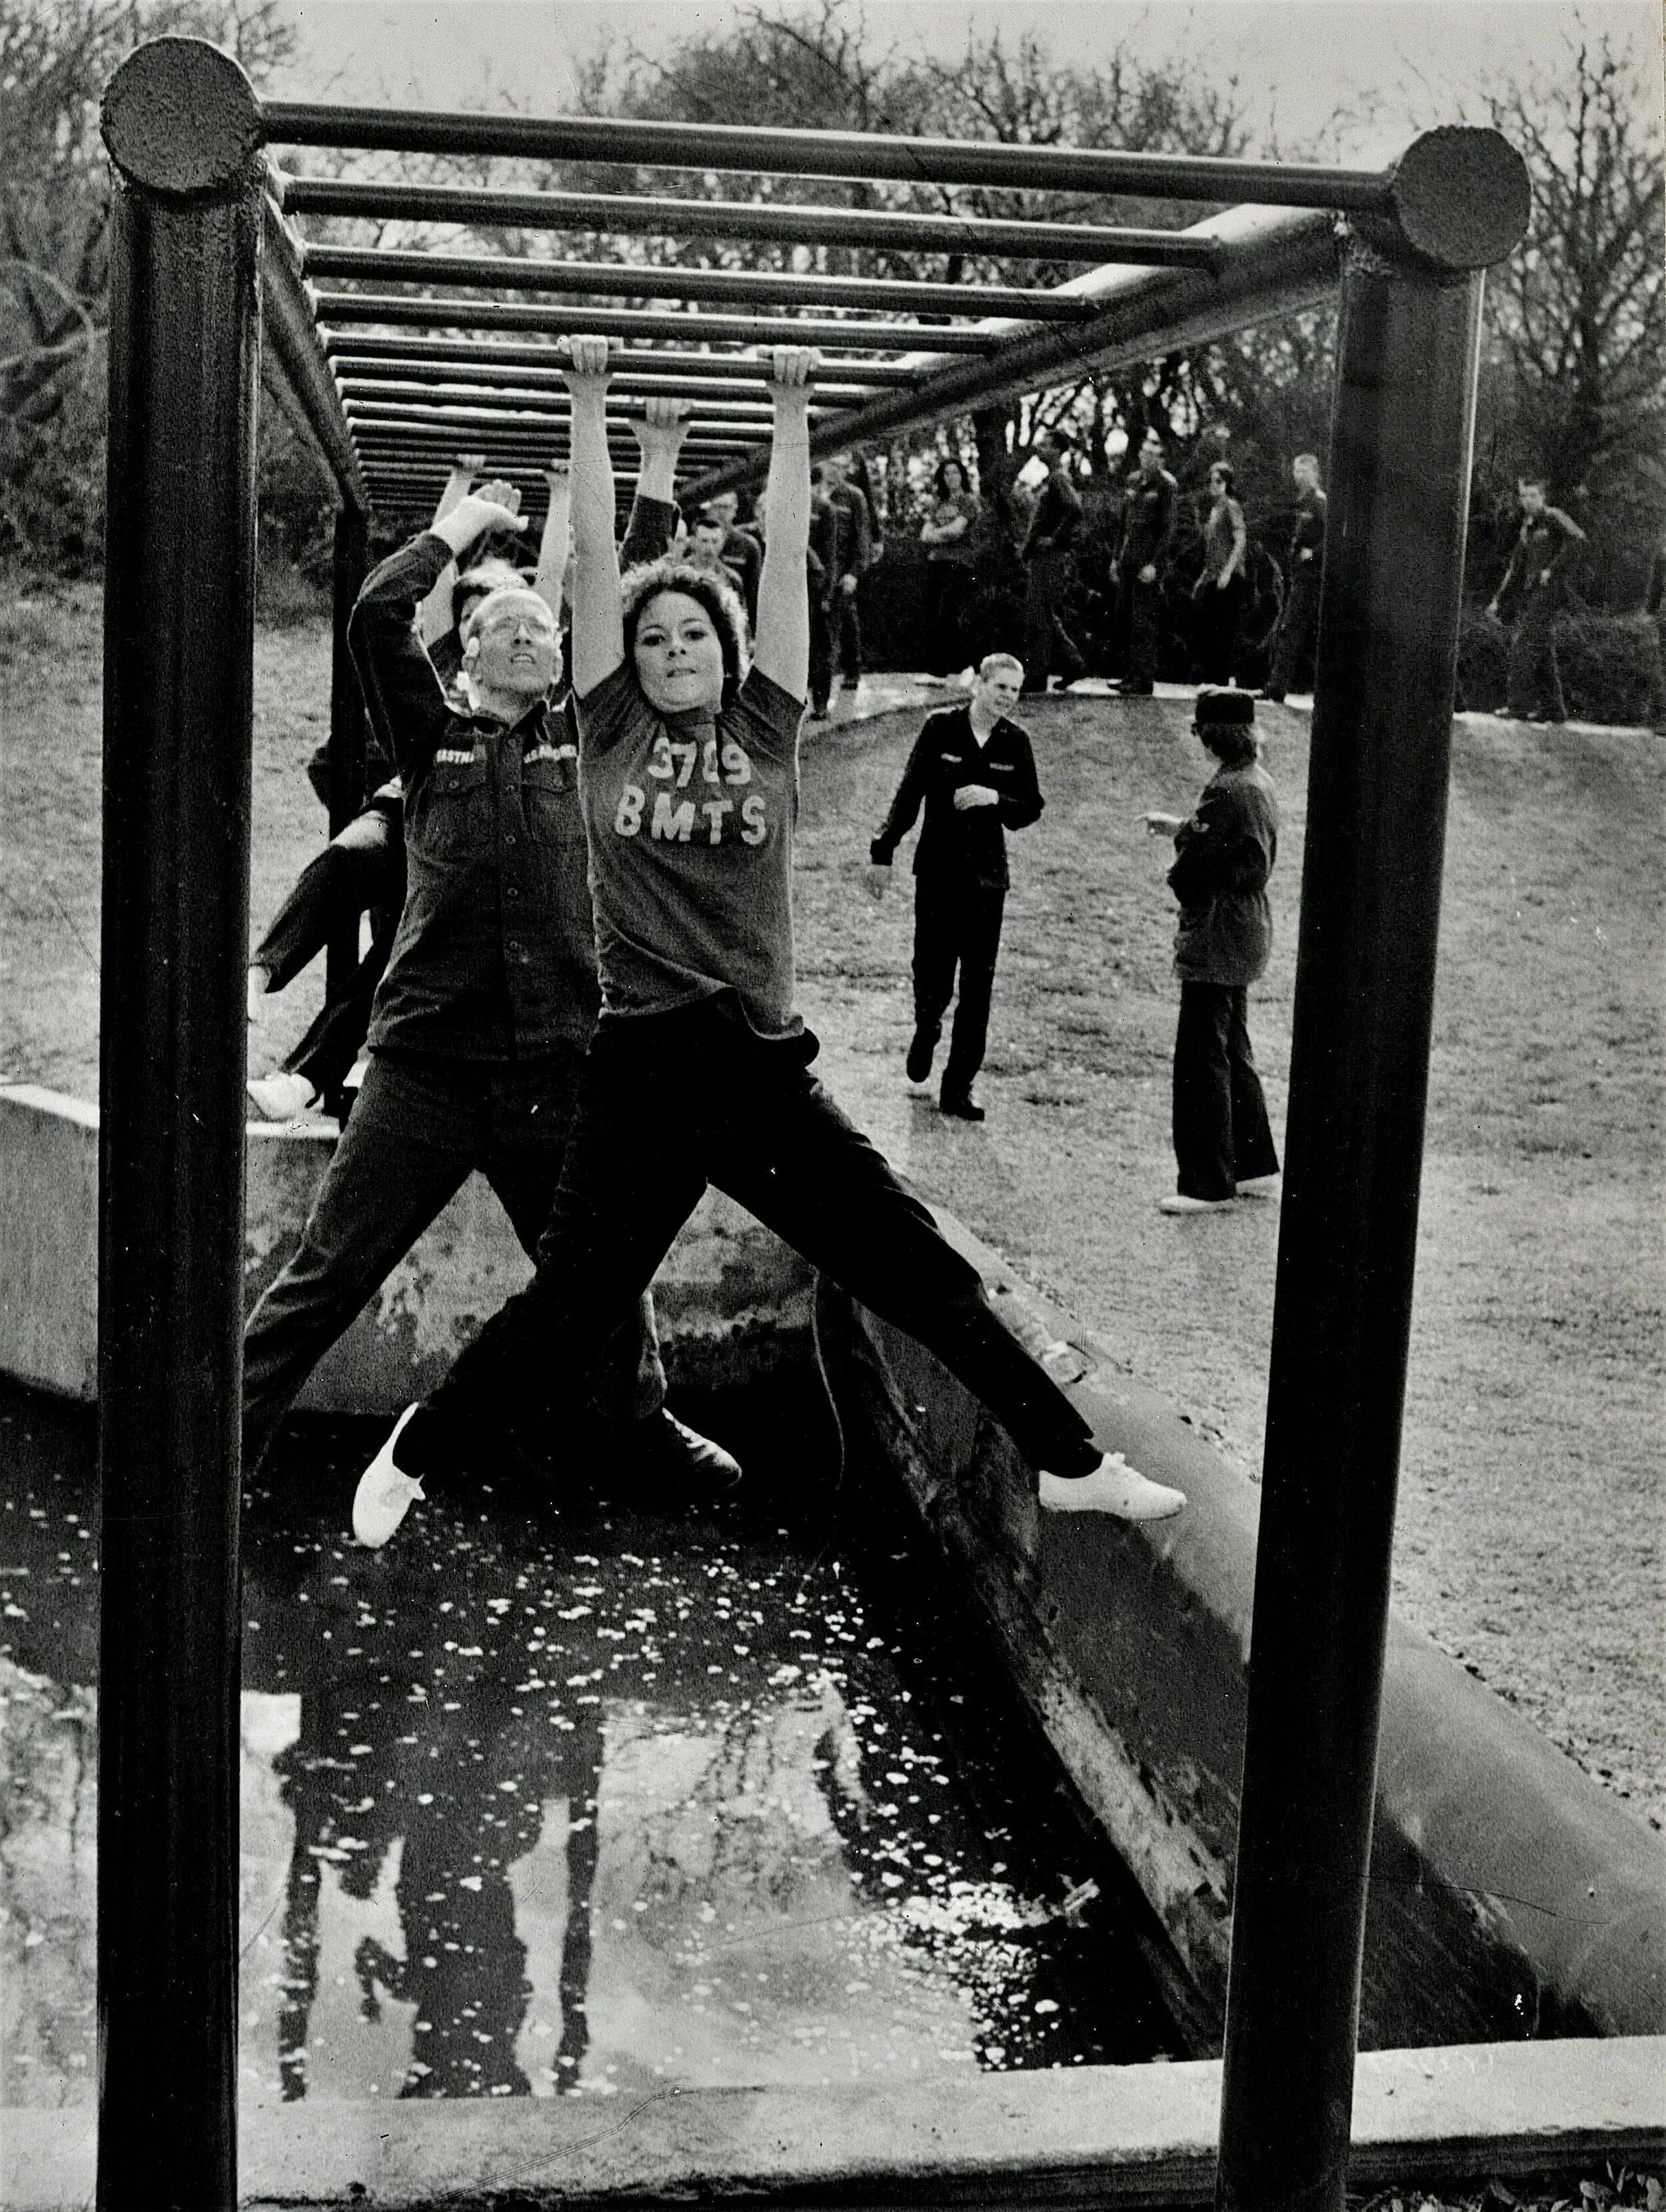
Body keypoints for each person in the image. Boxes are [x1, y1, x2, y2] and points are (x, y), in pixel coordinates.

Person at [350, 335, 1188, 1548]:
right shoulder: (606, 731)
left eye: (692, 635)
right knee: (572, 1302)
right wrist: (588, 399)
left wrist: (794, 418)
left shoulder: (767, 729)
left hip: (756, 1067)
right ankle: (416, 1450)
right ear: (625, 662)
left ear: (728, 650)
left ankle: (1071, 1460)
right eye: (653, 639)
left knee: (916, 1265)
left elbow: (786, 561)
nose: (672, 650)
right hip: (640, 1068)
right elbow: (599, 560)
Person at [241, 409, 738, 1498]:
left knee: (600, 1263)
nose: (524, 635)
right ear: (465, 655)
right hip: (424, 1069)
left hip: (557, 1063)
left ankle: (640, 1416)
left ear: (562, 656)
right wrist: (461, 527)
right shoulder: (431, 738)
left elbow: (623, 587)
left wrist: (650, 470)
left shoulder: (588, 737)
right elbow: (376, 614)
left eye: (539, 629)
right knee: (324, 1276)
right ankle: (217, 1447)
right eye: (503, 626)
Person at [868, 652, 1040, 1122]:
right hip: (939, 876)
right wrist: (883, 851)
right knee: (932, 971)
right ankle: (926, 1028)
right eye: (1000, 687)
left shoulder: (1015, 742)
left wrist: (994, 797)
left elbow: (1030, 806)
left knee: (978, 986)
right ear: (978, 685)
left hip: (987, 883)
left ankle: (958, 1085)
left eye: (1015, 690)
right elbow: (909, 792)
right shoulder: (940, 728)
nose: (1007, 697)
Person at [1143, 689, 1281, 1214]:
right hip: (1245, 929)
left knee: (1202, 1058)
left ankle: (1207, 1183)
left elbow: (1197, 865)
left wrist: (1178, 866)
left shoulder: (1225, 789)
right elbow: (1234, 843)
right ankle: (1252, 1165)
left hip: (1218, 930)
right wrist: (1182, 828)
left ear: (1212, 734)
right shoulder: (1256, 781)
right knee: (1232, 1049)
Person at [1487, 477, 1587, 724]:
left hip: (1551, 592)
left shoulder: (1553, 517)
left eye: (1533, 495)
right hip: (1533, 593)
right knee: (1542, 650)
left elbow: (1578, 539)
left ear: (1543, 497)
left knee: (1523, 644)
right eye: (1524, 496)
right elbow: (1516, 568)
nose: (1528, 501)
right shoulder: (1527, 527)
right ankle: (1554, 710)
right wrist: (1499, 599)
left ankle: (1518, 706)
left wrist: (1553, 569)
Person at [1020, 427, 1086, 693]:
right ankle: (1073, 664)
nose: (1041, 448)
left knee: (1038, 616)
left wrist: (1054, 539)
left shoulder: (1058, 478)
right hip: (1041, 556)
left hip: (1049, 557)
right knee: (1044, 614)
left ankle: (1037, 677)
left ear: (1058, 450)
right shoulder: (1050, 478)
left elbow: (1075, 508)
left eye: (1047, 445)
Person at [1258, 453, 1326, 704]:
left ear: (1315, 473)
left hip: (1312, 576)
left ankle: (1277, 687)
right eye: (1296, 471)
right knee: (1290, 630)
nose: (1299, 476)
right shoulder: (1302, 502)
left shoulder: (1319, 502)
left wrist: (1312, 555)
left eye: (1304, 471)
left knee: (1292, 630)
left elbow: (1330, 539)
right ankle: (1277, 685)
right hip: (1299, 574)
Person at [1114, 428, 1176, 696]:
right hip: (1128, 559)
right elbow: (1123, 524)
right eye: (1144, 453)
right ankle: (1130, 675)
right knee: (1125, 618)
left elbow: (1168, 529)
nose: (1147, 459)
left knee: (1144, 621)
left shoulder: (1166, 485)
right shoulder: (1133, 481)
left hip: (1147, 563)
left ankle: (1143, 679)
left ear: (1161, 459)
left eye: (1153, 455)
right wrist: (1115, 558)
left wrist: (1155, 563)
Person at [918, 456, 982, 680]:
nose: (951, 477)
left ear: (962, 476)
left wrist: (936, 534)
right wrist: (940, 535)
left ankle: (966, 667)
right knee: (933, 616)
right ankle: (937, 672)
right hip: (937, 562)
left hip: (960, 563)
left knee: (949, 614)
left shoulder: (968, 501)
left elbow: (956, 530)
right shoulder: (938, 503)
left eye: (955, 472)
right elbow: (924, 534)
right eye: (946, 473)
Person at [820, 451, 874, 693]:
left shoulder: (854, 497)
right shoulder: (814, 493)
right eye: (832, 464)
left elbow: (862, 539)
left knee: (840, 620)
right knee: (830, 622)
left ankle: (851, 671)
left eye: (841, 467)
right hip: (819, 570)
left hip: (843, 570)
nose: (835, 471)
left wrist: (854, 573)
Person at [1191, 461, 1247, 686]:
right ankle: (1211, 678)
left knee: (1223, 630)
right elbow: (1212, 548)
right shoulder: (1215, 510)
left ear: (1227, 483)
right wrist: (1204, 576)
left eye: (1219, 481)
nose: (1214, 485)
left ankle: (1220, 680)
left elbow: (1240, 540)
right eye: (1211, 481)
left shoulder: (1231, 506)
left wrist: (1228, 572)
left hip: (1228, 577)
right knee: (1205, 626)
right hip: (1213, 575)